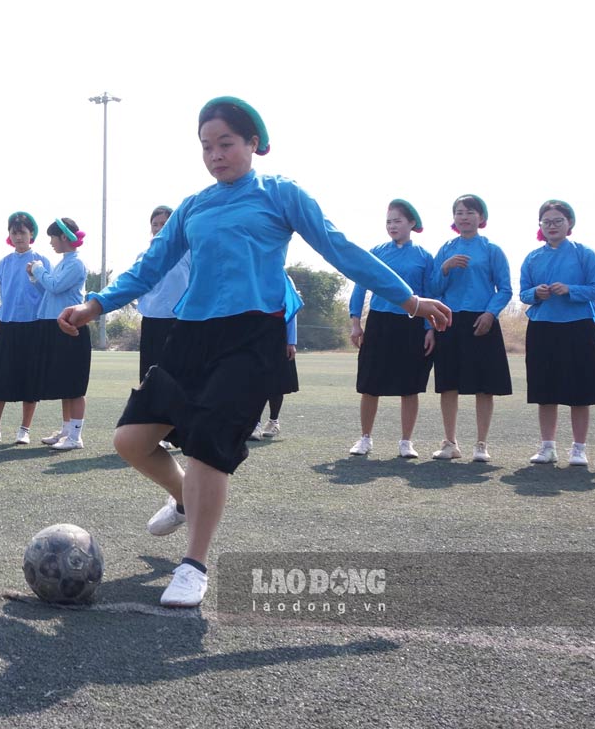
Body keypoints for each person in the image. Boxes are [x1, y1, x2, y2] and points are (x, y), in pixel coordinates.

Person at [57, 96, 451, 607]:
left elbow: (340, 248)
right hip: (192, 335)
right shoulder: (194, 206)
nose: (215, 155)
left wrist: (409, 300)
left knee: (206, 446)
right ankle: (182, 498)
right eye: (206, 146)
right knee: (130, 440)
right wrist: (96, 304)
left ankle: (194, 565)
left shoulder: (280, 193)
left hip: (251, 336)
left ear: (252, 144)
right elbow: (150, 265)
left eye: (225, 143)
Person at [518, 200, 595, 467]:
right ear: (540, 226)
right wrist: (536, 294)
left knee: (581, 389)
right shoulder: (532, 257)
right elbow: (523, 293)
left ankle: (578, 448)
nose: (552, 226)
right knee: (545, 389)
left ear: (570, 224)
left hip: (578, 327)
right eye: (547, 221)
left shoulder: (584, 254)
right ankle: (548, 447)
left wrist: (571, 290)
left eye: (558, 221)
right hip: (542, 328)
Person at [346, 199, 437, 459]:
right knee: (369, 384)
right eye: (388, 221)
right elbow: (360, 285)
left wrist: (429, 328)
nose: (392, 226)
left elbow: (428, 293)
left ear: (412, 223)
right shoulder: (376, 252)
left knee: (410, 386)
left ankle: (406, 442)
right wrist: (355, 322)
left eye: (398, 220)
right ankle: (365, 438)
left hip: (411, 325)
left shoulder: (423, 257)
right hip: (379, 322)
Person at [428, 195, 513, 463]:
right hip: (449, 320)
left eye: (470, 212)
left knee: (484, 386)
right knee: (448, 384)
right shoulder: (445, 249)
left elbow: (505, 288)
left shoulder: (492, 250)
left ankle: (481, 444)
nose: (464, 217)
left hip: (482, 321)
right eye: (459, 212)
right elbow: (432, 289)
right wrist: (444, 268)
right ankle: (450, 442)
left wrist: (490, 313)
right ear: (453, 218)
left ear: (481, 217)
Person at [0, 212, 50, 445]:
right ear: (9, 235)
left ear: (31, 235)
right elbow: (4, 291)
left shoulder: (42, 261)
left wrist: (34, 277)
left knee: (31, 378)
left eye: (23, 232)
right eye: (14, 232)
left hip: (34, 325)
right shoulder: (4, 263)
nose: (18, 237)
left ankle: (24, 429)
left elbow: (47, 292)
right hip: (7, 324)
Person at [30, 218, 91, 451]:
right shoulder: (64, 263)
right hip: (57, 326)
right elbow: (49, 289)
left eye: (53, 238)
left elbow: (54, 286)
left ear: (64, 237)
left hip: (72, 327)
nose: (51, 243)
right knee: (65, 383)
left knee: (74, 384)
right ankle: (66, 431)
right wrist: (36, 276)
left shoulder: (76, 264)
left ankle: (76, 436)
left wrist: (38, 269)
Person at [136, 206, 191, 383]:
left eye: (164, 223)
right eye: (155, 224)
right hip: (152, 321)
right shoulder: (143, 256)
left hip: (180, 322)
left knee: (178, 375)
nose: (159, 228)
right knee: (149, 375)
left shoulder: (188, 253)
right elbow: (136, 286)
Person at [250, 276, 301, 441]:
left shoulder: (284, 278)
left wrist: (291, 341)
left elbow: (292, 310)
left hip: (278, 333)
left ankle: (273, 421)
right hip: (253, 332)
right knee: (254, 381)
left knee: (277, 382)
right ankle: (254, 424)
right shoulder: (252, 274)